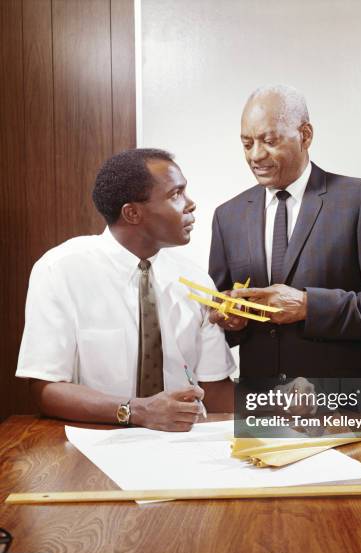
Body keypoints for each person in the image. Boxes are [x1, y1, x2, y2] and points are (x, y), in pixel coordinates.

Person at [209, 85, 361, 383]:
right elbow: (219, 321)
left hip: (343, 408)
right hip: (260, 409)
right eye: (247, 144)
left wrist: (309, 306)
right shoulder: (227, 216)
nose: (256, 155)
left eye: (269, 141)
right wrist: (229, 321)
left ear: (305, 135)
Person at [17, 149, 235, 431]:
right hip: (97, 443)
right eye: (175, 194)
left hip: (183, 444)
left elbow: (215, 390)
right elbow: (46, 389)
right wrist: (138, 411)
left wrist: (292, 421)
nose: (190, 204)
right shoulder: (59, 270)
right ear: (132, 213)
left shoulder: (196, 280)